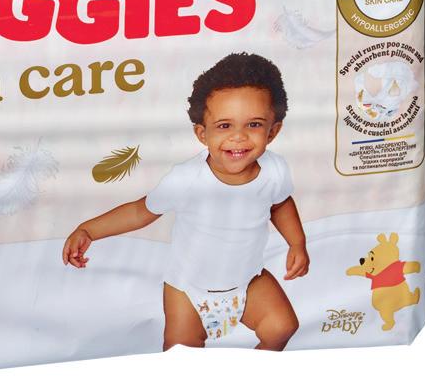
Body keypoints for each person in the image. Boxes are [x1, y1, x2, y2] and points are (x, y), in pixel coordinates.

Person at [63, 52, 309, 351]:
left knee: (282, 327)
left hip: (247, 282)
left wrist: (297, 243)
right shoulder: (186, 179)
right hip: (188, 291)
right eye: (224, 126)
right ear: (202, 133)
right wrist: (88, 230)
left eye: (254, 124)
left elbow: (280, 204)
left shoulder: (274, 170)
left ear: (273, 131)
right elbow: (141, 211)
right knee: (182, 352)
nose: (239, 137)